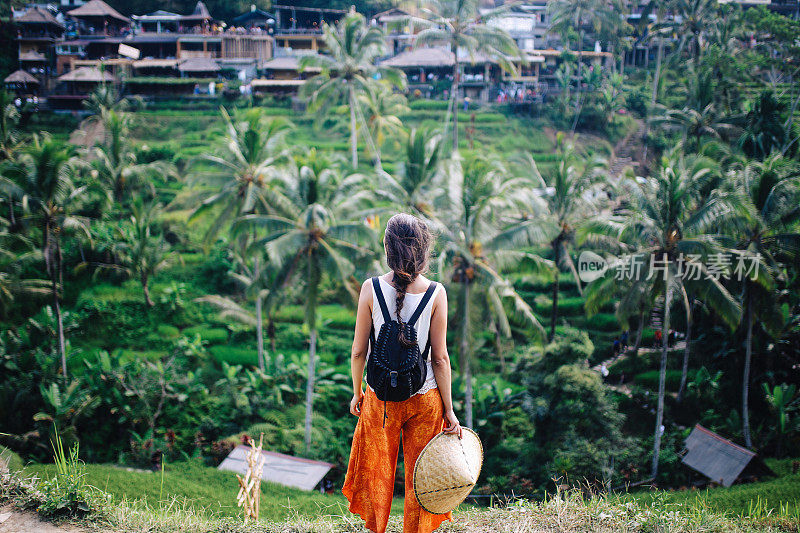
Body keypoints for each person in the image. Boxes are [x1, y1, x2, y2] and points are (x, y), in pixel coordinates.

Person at [343, 213, 462, 533]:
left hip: (380, 398)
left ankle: (377, 527)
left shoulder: (370, 288)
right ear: (424, 251)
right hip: (425, 398)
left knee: (378, 471)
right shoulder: (437, 293)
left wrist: (358, 392)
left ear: (387, 249)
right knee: (420, 477)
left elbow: (358, 351)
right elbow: (440, 359)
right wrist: (449, 409)